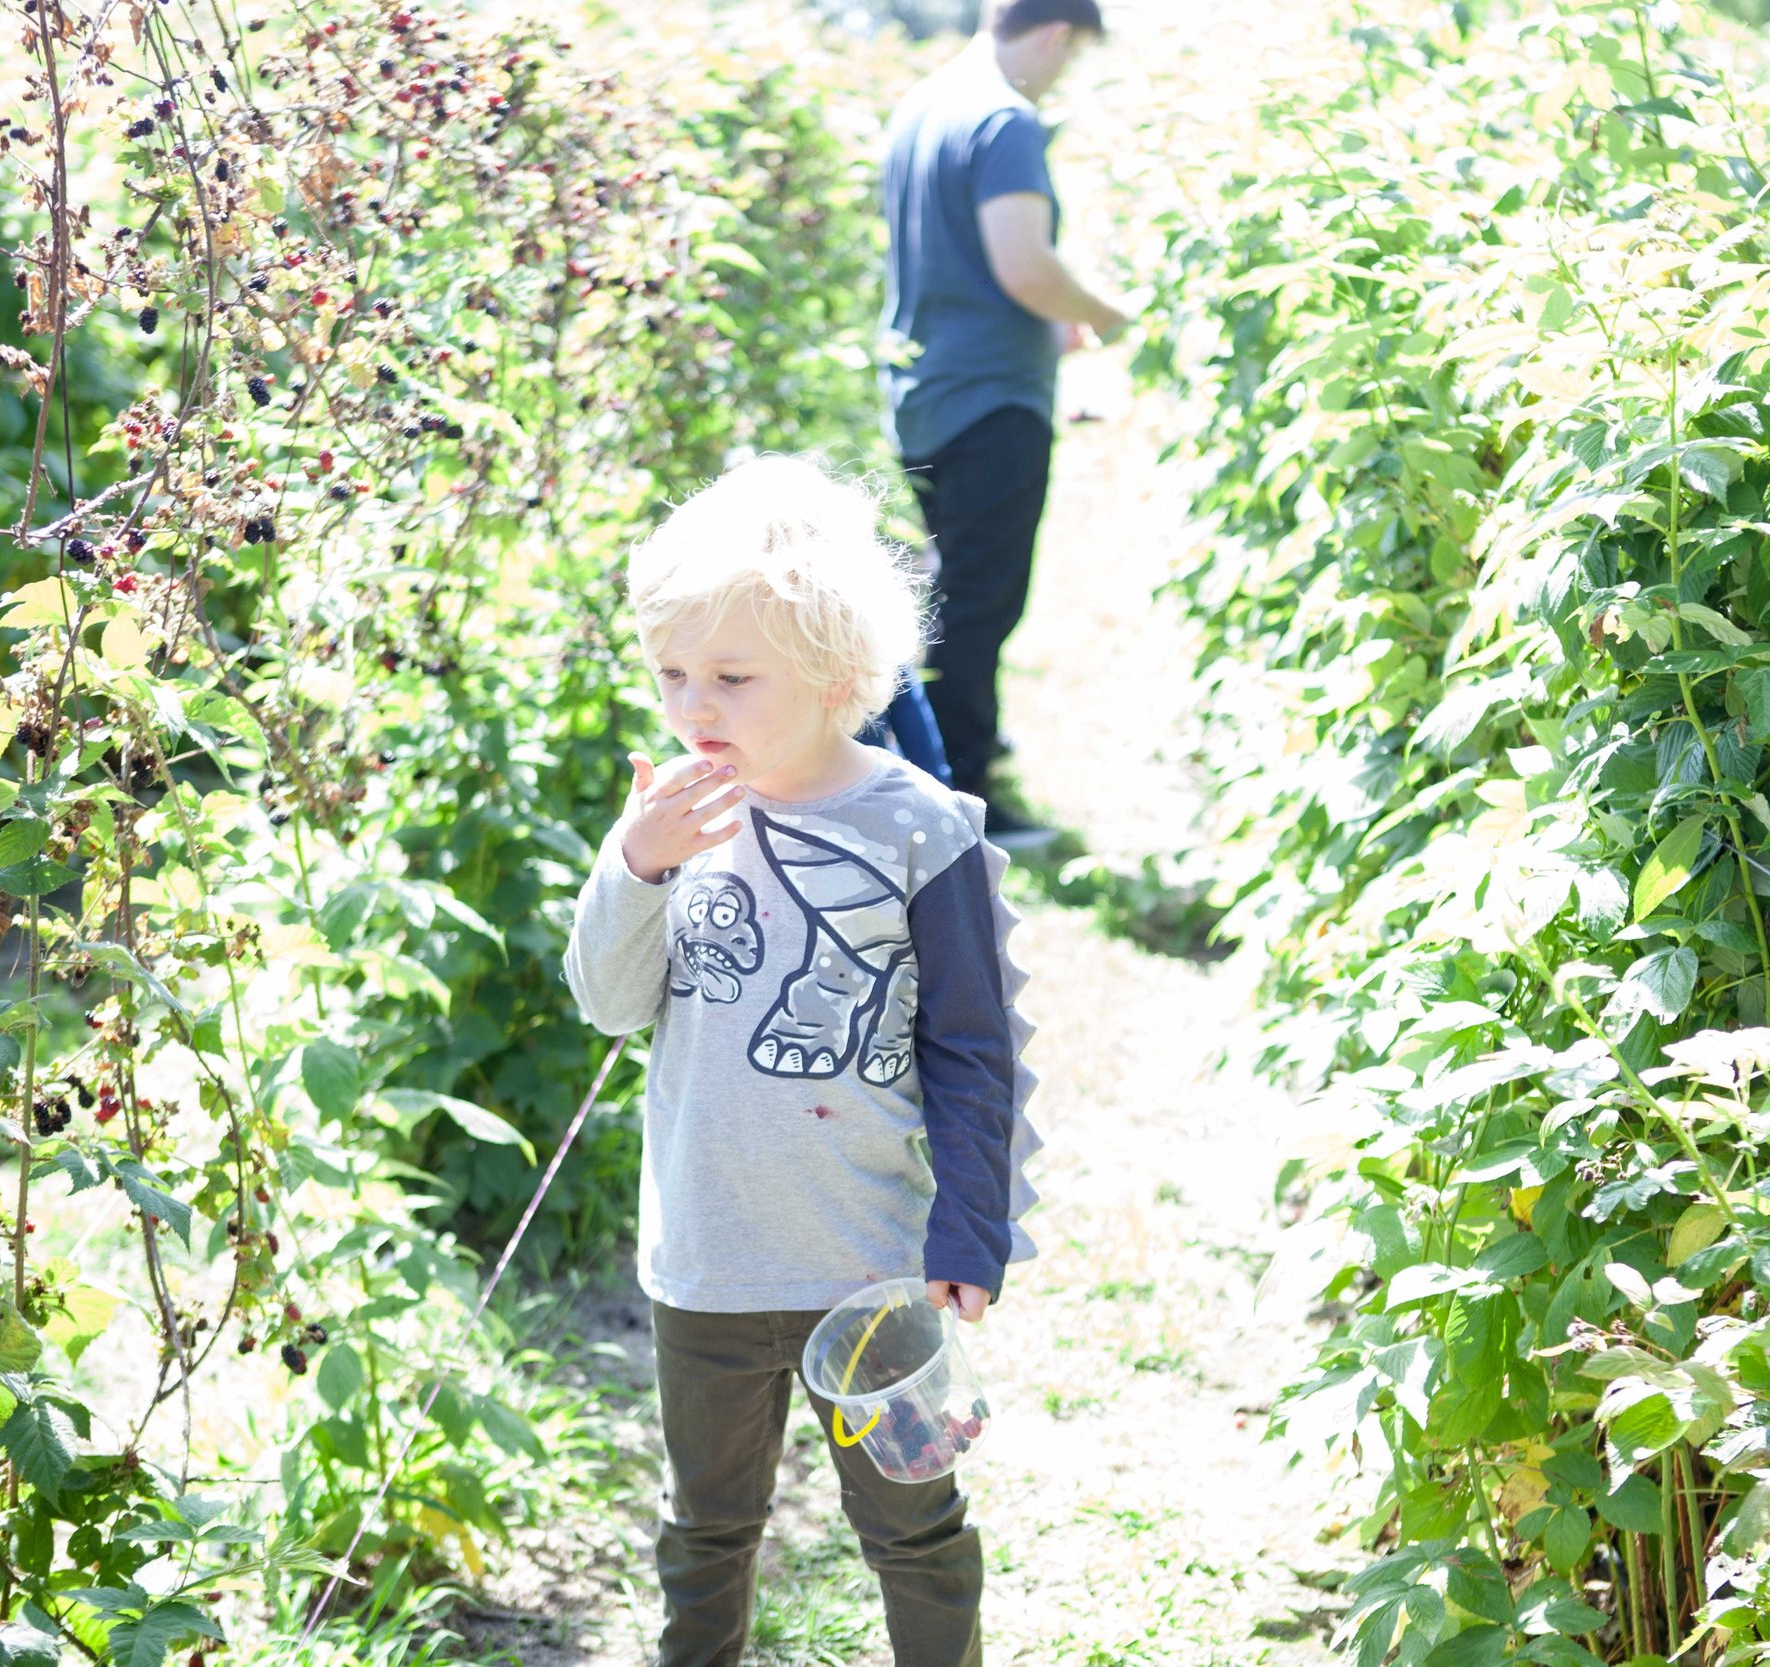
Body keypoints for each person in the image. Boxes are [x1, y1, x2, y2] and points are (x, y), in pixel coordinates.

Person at [563, 456, 1040, 1667]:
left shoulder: (921, 829)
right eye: (671, 673)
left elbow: (975, 1050)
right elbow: (609, 1004)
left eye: (730, 676)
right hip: (707, 1260)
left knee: (914, 1522)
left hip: (870, 1261)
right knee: (705, 1528)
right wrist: (634, 864)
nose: (692, 707)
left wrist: (970, 1230)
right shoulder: (673, 819)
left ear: (834, 677)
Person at [876, 0, 1128, 830]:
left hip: (926, 388)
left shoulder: (926, 103)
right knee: (979, 606)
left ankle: (946, 767)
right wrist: (1102, 309)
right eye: (1073, 57)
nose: (1064, 75)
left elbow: (957, 254)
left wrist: (1048, 317)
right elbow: (1023, 262)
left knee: (955, 596)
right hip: (992, 398)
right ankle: (960, 802)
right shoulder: (1006, 119)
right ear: (1056, 34)